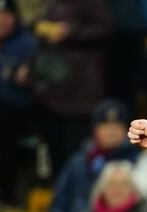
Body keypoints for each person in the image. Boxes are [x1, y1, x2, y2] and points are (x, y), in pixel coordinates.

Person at [32, 0, 113, 176]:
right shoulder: (53, 3)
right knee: (56, 151)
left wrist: (70, 32)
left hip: (81, 94)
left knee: (77, 154)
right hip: (53, 91)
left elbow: (105, 30)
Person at [49, 99, 139, 212]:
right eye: (105, 126)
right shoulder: (78, 162)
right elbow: (59, 203)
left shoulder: (138, 162)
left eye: (116, 126)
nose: (111, 132)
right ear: (95, 129)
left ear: (126, 131)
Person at [0, 0, 36, 203]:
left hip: (9, 113)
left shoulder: (27, 43)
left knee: (2, 145)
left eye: (6, 16)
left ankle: (5, 196)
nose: (1, 21)